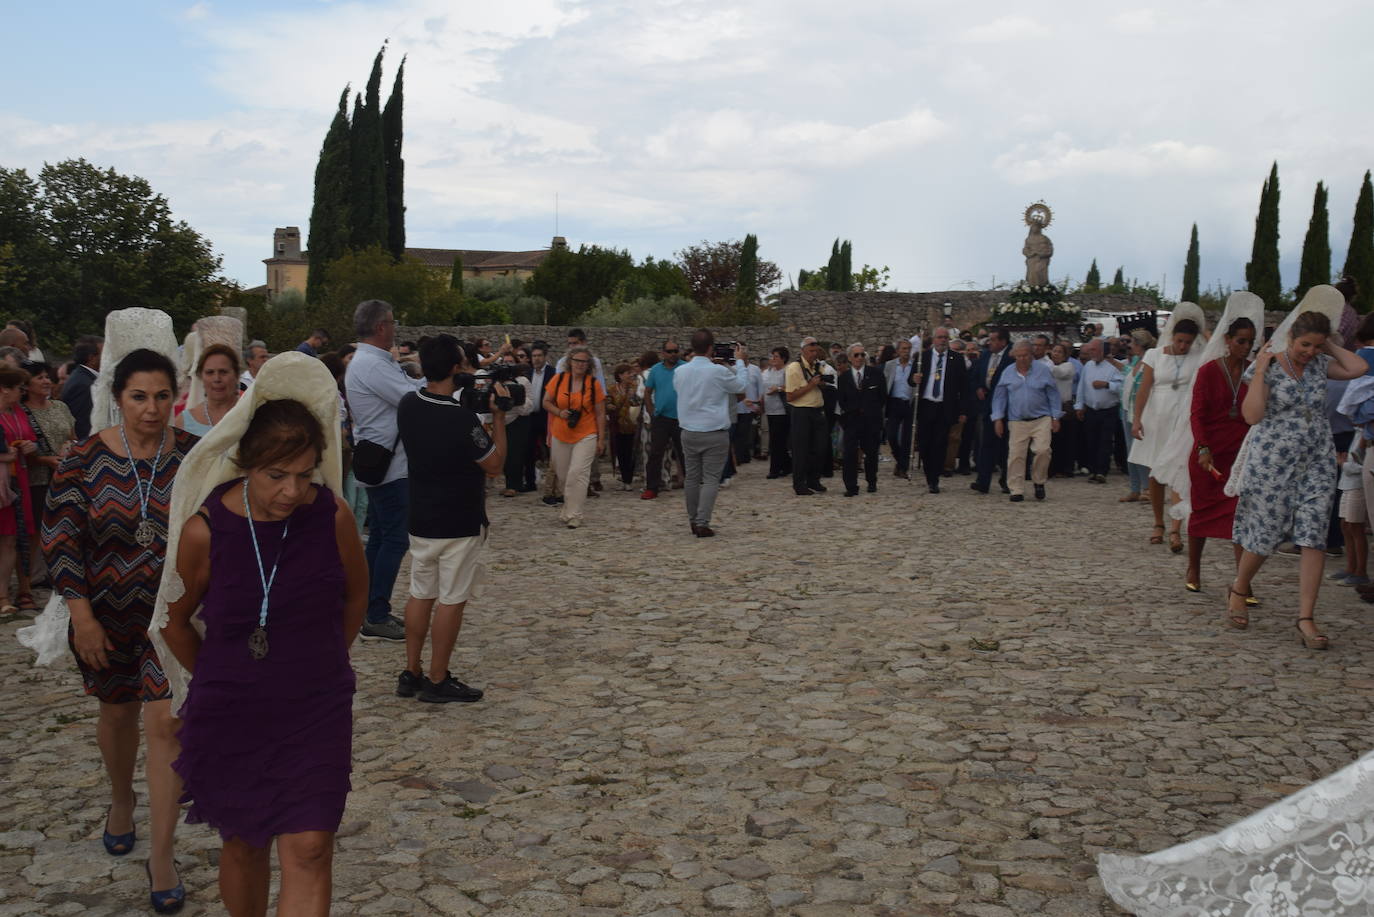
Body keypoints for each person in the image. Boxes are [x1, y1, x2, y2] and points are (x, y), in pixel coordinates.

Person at [155, 356, 365, 917]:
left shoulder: (333, 516)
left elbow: (356, 597)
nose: (293, 490)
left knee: (311, 846)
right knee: (245, 844)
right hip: (233, 709)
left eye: (305, 473)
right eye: (277, 475)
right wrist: (223, 674)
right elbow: (173, 621)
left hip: (316, 705)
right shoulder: (206, 531)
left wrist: (325, 661)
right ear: (247, 464)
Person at [43, 347, 195, 912]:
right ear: (118, 396)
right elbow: (59, 539)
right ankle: (119, 798)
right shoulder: (82, 459)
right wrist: (80, 616)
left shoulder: (193, 457)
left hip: (171, 617)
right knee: (116, 713)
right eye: (139, 396)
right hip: (104, 614)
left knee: (166, 721)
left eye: (161, 396)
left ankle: (161, 853)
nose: (151, 409)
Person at [1227, 291, 1368, 646]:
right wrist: (1260, 367)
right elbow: (1252, 415)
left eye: (1315, 347)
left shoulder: (1321, 364)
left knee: (1313, 537)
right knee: (1265, 533)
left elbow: (1359, 368)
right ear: (1291, 336)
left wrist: (1330, 344)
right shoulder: (1269, 367)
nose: (1310, 352)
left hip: (1316, 459)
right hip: (1273, 460)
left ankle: (1306, 617)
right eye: (1305, 344)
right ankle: (1240, 586)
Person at [396, 335, 505, 703]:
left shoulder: (408, 405)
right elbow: (494, 465)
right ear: (456, 367)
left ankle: (411, 670)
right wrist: (499, 418)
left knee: (419, 592)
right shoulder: (460, 418)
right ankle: (438, 677)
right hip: (458, 517)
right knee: (452, 599)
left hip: (421, 514)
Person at [1168, 298, 1261, 594]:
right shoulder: (1208, 371)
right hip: (1209, 453)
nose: (1245, 347)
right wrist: (1203, 448)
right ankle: (1194, 566)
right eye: (1241, 341)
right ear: (1227, 340)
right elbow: (1197, 413)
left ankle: (1242, 581)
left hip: (1239, 453)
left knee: (1240, 516)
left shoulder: (1254, 373)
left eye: (1250, 342)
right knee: (1202, 511)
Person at [344, 300, 421, 642]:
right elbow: (409, 398)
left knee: (378, 540)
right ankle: (375, 612)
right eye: (391, 322)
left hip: (382, 462)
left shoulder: (370, 361)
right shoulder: (372, 365)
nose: (395, 327)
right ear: (380, 328)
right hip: (391, 467)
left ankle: (367, 607)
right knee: (394, 539)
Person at [1131, 306, 1207, 552]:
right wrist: (1136, 418)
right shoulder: (1154, 355)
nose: (1183, 346)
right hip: (1157, 415)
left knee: (1178, 471)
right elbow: (1144, 388)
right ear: (1172, 336)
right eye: (1179, 340)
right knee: (1155, 472)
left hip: (1182, 416)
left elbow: (1219, 348)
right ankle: (1158, 523)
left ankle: (1176, 528)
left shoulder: (1198, 357)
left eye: (1188, 342)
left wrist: (1204, 330)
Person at [672, 330, 747, 536]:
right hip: (714, 431)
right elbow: (741, 386)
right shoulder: (718, 372)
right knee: (711, 478)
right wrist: (739, 362)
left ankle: (693, 519)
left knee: (692, 478)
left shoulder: (681, 371)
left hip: (688, 430)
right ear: (711, 348)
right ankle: (702, 521)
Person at [21, 361, 76, 585]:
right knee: (37, 524)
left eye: (47, 377)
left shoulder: (60, 407)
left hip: (65, 473)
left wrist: (70, 447)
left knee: (63, 524)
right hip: (37, 476)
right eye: (40, 378)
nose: (46, 382)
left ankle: (57, 570)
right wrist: (44, 459)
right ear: (27, 385)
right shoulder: (22, 411)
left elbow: (72, 434)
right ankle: (34, 574)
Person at [542, 345, 606, 528]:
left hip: (586, 432)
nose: (580, 364)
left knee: (578, 473)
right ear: (570, 362)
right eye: (577, 360)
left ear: (589, 364)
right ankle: (568, 510)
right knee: (563, 476)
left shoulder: (594, 385)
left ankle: (575, 514)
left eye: (584, 361)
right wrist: (559, 412)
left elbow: (600, 413)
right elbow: (546, 402)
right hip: (561, 432)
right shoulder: (558, 380)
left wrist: (601, 438)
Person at [991, 342, 1062, 502]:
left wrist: (1056, 417)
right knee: (1016, 454)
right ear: (1014, 356)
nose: (1022, 359)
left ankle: (1039, 481)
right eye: (1019, 356)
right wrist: (997, 418)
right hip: (1017, 419)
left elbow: (1053, 394)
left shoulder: (1043, 370)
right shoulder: (1008, 372)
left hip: (1041, 418)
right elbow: (1000, 397)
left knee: (1043, 450)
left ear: (1032, 355)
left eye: (1025, 355)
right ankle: (1016, 489)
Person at [0, 368, 39, 611]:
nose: (21, 393)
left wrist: (30, 446)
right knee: (5, 538)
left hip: (19, 478)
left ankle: (12, 593)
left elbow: (33, 439)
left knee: (14, 538)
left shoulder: (19, 412)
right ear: (5, 388)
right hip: (4, 479)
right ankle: (2, 596)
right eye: (18, 388)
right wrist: (6, 456)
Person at [911, 329, 967, 494]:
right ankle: (929, 472)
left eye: (945, 338)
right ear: (933, 339)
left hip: (944, 407)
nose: (942, 340)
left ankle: (934, 479)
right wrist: (914, 379)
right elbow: (911, 380)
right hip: (926, 405)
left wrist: (963, 410)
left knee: (940, 443)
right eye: (940, 337)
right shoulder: (923, 357)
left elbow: (964, 387)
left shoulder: (956, 359)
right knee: (924, 444)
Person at [835, 343, 885, 497]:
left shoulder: (876, 374)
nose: (860, 358)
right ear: (850, 358)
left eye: (862, 355)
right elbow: (841, 400)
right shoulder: (844, 378)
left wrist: (872, 411)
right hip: (852, 420)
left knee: (871, 453)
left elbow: (882, 396)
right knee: (849, 453)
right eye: (856, 355)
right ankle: (851, 485)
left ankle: (871, 481)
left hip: (871, 421)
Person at [785, 338, 831, 496]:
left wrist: (822, 383)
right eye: (811, 351)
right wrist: (811, 384)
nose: (814, 354)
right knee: (801, 449)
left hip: (817, 410)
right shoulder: (794, 368)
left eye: (816, 351)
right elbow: (790, 396)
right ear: (803, 350)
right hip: (801, 412)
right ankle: (799, 484)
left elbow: (821, 385)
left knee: (819, 448)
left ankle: (813, 480)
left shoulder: (817, 366)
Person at [971, 329, 1014, 494]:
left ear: (1003, 342)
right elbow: (975, 375)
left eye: (994, 340)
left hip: (1007, 407)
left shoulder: (1011, 357)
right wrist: (978, 388)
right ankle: (983, 481)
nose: (990, 343)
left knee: (1006, 445)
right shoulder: (986, 355)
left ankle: (1007, 479)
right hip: (988, 405)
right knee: (986, 443)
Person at [1073, 339, 1122, 483]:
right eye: (1090, 350)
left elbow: (1122, 387)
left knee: (1105, 442)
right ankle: (1093, 470)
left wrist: (1107, 385)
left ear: (1102, 350)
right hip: (1091, 410)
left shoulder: (1114, 366)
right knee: (1092, 440)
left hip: (1108, 410)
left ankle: (1102, 471)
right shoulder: (1088, 365)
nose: (1090, 353)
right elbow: (1082, 387)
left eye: (1093, 350)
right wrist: (1079, 406)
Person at [641, 340, 683, 500]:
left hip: (681, 418)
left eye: (676, 351)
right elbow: (647, 392)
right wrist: (652, 413)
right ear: (663, 353)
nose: (673, 354)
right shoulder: (656, 370)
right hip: (662, 418)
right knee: (655, 454)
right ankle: (652, 487)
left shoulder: (684, 368)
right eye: (670, 351)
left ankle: (693, 484)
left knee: (685, 453)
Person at [1118, 329, 1155, 502]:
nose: (1129, 346)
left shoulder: (1150, 362)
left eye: (1132, 342)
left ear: (1139, 344)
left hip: (1141, 412)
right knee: (1130, 451)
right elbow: (1126, 371)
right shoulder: (1135, 361)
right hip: (1126, 410)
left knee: (1140, 451)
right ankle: (1134, 488)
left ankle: (1147, 487)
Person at [176, 344, 240, 436]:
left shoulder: (250, 415)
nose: (217, 379)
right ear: (201, 377)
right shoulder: (183, 423)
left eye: (223, 372)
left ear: (236, 375)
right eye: (210, 372)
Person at [605, 363, 642, 490]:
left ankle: (629, 480)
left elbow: (637, 403)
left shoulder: (635, 388)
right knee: (620, 453)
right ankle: (625, 479)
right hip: (618, 426)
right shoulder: (612, 389)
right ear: (620, 375)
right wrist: (610, 406)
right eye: (627, 373)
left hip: (632, 425)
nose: (630, 375)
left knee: (631, 453)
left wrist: (632, 395)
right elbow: (608, 403)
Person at [60, 335, 102, 440]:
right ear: (92, 358)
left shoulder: (84, 378)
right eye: (105, 354)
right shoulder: (83, 385)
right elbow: (83, 424)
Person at [525, 345, 555, 492]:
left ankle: (554, 482)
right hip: (531, 417)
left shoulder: (553, 373)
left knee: (551, 449)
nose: (536, 359)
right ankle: (530, 482)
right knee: (529, 450)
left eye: (539, 356)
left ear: (545, 357)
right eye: (534, 356)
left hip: (547, 416)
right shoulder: (528, 373)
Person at [1047, 343, 1079, 478]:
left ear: (1065, 355)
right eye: (1054, 351)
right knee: (1052, 439)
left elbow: (1059, 373)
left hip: (1064, 405)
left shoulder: (1068, 366)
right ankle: (1052, 468)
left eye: (1059, 352)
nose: (1056, 354)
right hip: (1049, 406)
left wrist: (1045, 361)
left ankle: (1066, 468)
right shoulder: (1048, 365)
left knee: (1065, 438)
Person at [761, 347, 791, 479]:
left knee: (777, 440)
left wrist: (778, 389)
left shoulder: (787, 371)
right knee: (776, 439)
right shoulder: (767, 371)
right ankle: (786, 466)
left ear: (783, 358)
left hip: (781, 410)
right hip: (769, 408)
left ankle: (775, 469)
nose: (773, 359)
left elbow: (791, 386)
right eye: (772, 356)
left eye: (776, 356)